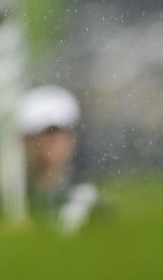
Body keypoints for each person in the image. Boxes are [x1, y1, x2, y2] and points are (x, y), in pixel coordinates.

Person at [15, 85, 101, 235]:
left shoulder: (97, 211)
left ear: (71, 137)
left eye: (52, 134)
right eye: (34, 136)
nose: (43, 144)